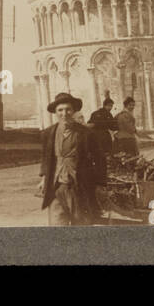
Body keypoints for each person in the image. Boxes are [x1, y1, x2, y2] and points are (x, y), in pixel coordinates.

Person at [38, 92, 101, 226]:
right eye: (60, 110)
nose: (64, 113)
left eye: (68, 109)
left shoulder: (86, 133)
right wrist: (44, 178)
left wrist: (100, 184)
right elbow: (46, 157)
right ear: (55, 112)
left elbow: (100, 159)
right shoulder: (48, 133)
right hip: (56, 188)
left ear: (73, 111)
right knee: (57, 227)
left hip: (78, 187)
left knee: (81, 227)